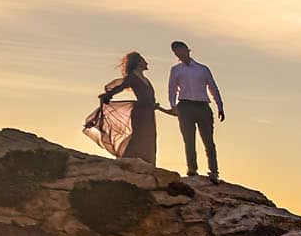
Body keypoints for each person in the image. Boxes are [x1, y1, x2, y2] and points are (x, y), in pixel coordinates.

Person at [167, 40, 224, 181]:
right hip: (185, 106)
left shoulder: (202, 69)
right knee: (189, 139)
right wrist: (173, 106)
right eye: (176, 52)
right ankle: (192, 168)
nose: (179, 54)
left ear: (187, 50)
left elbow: (213, 87)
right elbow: (172, 88)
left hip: (203, 106)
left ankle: (214, 171)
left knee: (208, 140)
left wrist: (220, 106)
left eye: (181, 50)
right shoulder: (176, 70)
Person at [95, 52, 162, 162]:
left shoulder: (145, 79)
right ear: (138, 63)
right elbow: (120, 88)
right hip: (140, 112)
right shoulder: (132, 77)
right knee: (139, 136)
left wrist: (153, 105)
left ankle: (147, 162)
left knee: (149, 137)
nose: (146, 63)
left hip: (149, 112)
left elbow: (149, 97)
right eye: (144, 60)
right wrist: (107, 96)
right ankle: (129, 160)